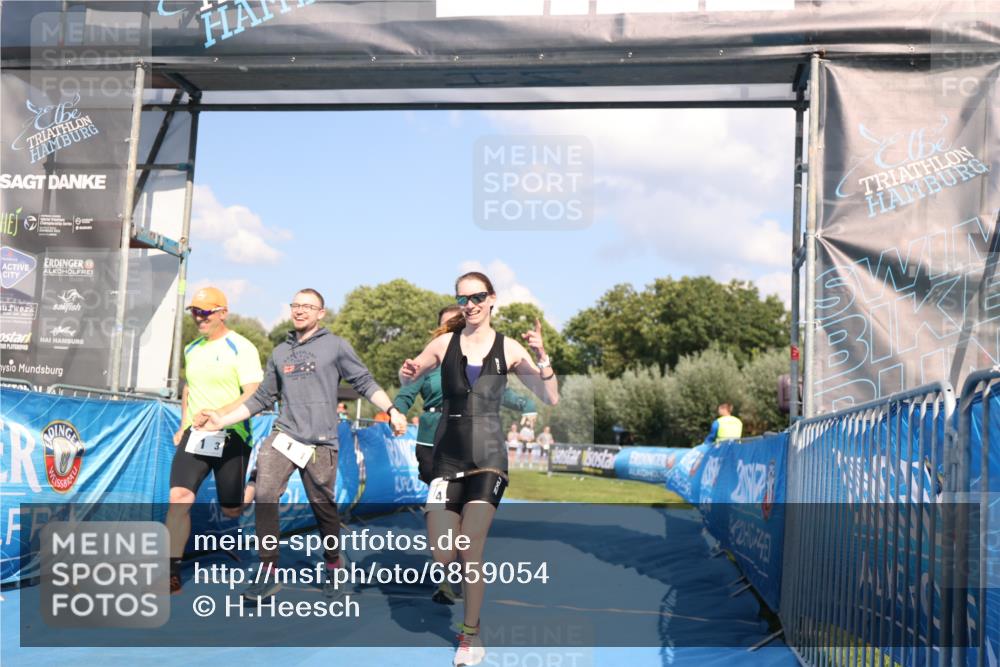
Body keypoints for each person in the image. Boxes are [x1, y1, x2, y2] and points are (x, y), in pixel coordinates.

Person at [198, 288, 408, 601]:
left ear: (321, 313)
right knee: (266, 493)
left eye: (308, 306)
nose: (300, 311)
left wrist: (391, 409)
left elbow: (364, 382)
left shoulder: (335, 346)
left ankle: (334, 565)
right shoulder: (280, 352)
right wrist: (221, 420)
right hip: (284, 435)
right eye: (296, 305)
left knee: (324, 509)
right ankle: (268, 571)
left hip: (321, 442)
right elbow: (261, 398)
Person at [400, 271, 558, 667]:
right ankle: (459, 598)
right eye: (463, 298)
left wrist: (542, 358)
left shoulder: (509, 349)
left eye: (477, 297)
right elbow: (414, 368)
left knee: (470, 546)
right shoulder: (443, 343)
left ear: (491, 300)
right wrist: (409, 370)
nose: (470, 304)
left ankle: (470, 637)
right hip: (446, 457)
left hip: (488, 459)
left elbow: (549, 396)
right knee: (442, 555)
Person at [394, 304, 537, 605]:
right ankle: (446, 572)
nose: (456, 330)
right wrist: (395, 412)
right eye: (449, 325)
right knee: (443, 509)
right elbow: (407, 390)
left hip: (474, 444)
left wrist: (530, 406)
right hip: (433, 445)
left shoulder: (478, 360)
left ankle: (454, 573)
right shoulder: (431, 360)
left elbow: (503, 393)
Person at [166, 287, 263, 594]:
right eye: (195, 311)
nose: (199, 317)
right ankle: (170, 571)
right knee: (179, 498)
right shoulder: (192, 348)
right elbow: (189, 389)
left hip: (232, 435)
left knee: (232, 510)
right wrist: (184, 425)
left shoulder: (242, 347)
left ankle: (256, 483)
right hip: (197, 435)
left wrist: (218, 415)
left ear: (223, 312)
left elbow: (253, 393)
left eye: (206, 311)